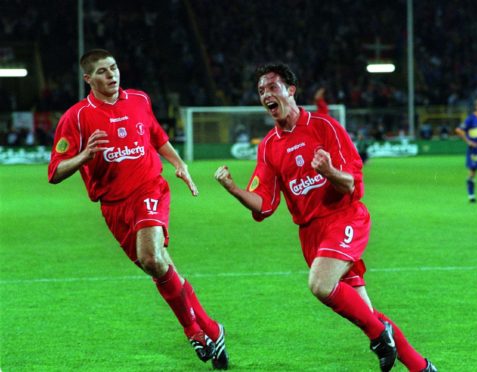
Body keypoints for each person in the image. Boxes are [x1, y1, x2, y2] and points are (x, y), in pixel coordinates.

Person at [215, 63, 436, 372]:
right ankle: (422, 368)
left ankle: (378, 336)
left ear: (290, 90)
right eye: (261, 91)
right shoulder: (268, 147)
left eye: (272, 87)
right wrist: (233, 188)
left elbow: (353, 185)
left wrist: (329, 171)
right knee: (367, 311)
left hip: (343, 218)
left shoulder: (324, 127)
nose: (266, 94)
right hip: (311, 235)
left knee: (320, 284)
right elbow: (264, 205)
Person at [47, 49, 228, 369]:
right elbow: (55, 172)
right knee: (159, 266)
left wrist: (179, 164)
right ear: (88, 79)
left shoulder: (139, 100)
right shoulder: (76, 117)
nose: (112, 75)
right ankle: (212, 329)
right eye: (102, 71)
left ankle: (193, 331)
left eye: (114, 68)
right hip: (114, 206)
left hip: (149, 188)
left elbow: (157, 135)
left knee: (151, 257)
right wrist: (84, 156)